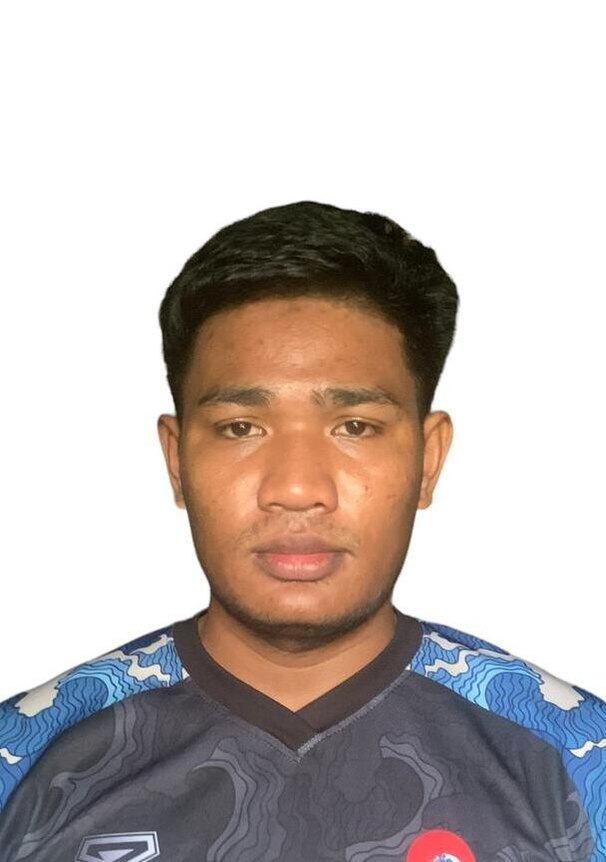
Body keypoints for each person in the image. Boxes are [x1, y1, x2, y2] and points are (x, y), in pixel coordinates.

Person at [0, 201, 604, 862]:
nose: (295, 488)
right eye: (240, 428)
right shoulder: (24, 760)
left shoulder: (577, 760)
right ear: (176, 462)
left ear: (427, 461)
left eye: (355, 426)